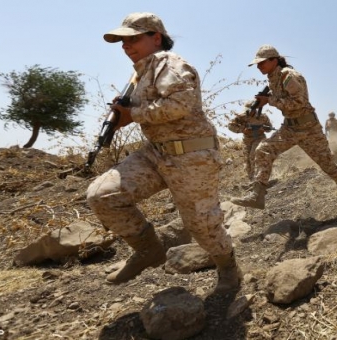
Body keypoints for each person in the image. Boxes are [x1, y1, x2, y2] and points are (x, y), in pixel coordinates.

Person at [86, 12, 241, 293]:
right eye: (122, 41)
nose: (125, 46)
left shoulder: (169, 64)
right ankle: (148, 251)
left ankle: (228, 267)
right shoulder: (141, 73)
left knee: (202, 227)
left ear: (156, 38)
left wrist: (133, 114)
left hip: (192, 157)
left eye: (133, 39)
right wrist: (124, 109)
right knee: (103, 194)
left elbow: (182, 102)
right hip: (156, 154)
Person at [231, 45, 337, 214]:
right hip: (290, 128)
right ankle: (258, 195)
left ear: (274, 60)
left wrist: (269, 101)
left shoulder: (288, 76)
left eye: (262, 63)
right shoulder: (273, 78)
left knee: (328, 166)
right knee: (263, 150)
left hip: (308, 128)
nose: (258, 66)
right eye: (257, 64)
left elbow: (299, 103)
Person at [227, 100, 273, 180]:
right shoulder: (241, 117)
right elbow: (230, 126)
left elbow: (270, 128)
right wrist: (242, 130)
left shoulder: (263, 117)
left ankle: (259, 179)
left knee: (254, 155)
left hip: (259, 138)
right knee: (247, 160)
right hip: (247, 140)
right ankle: (252, 180)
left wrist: (263, 129)